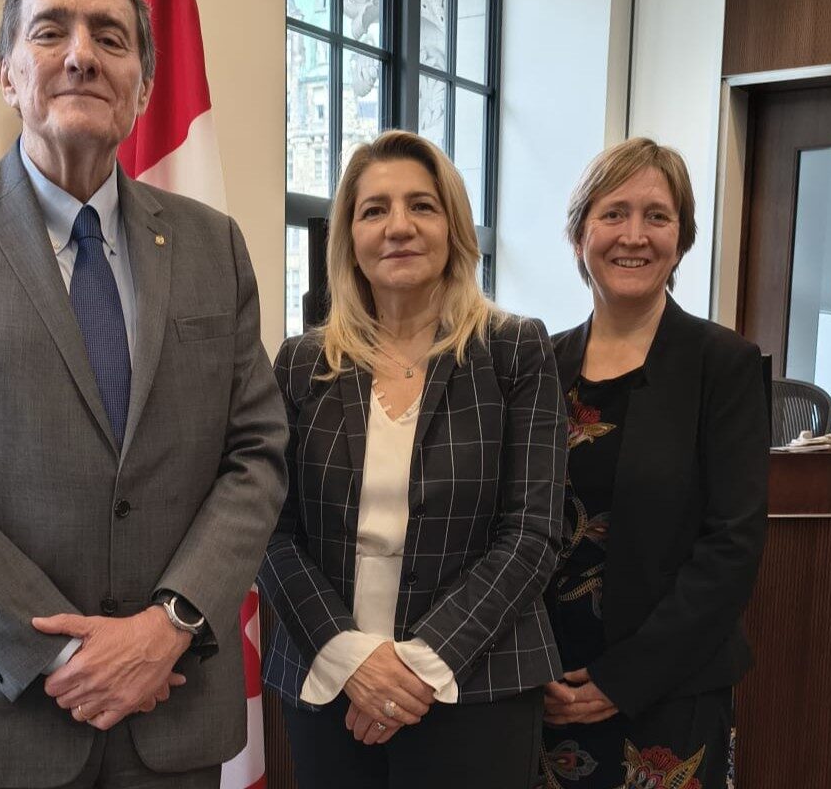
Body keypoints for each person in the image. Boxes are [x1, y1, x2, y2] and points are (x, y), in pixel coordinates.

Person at [0, 0, 287, 789]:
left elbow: (257, 455)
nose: (82, 54)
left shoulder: (213, 247)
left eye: (110, 37)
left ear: (144, 89)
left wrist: (167, 625)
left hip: (171, 710)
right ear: (9, 74)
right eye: (50, 32)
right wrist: (64, 654)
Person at [259, 130, 566, 788]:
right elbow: (272, 535)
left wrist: (418, 669)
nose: (399, 227)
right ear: (349, 237)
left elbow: (532, 535)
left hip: (476, 688)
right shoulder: (302, 363)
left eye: (422, 206)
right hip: (328, 686)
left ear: (453, 227)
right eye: (374, 210)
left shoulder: (514, 350)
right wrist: (355, 662)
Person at [538, 138, 768, 789]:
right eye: (613, 213)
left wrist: (624, 679)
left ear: (682, 237)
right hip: (543, 687)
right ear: (580, 232)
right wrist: (532, 663)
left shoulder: (722, 365)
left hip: (670, 692)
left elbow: (733, 545)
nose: (633, 235)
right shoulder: (538, 366)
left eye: (657, 216)